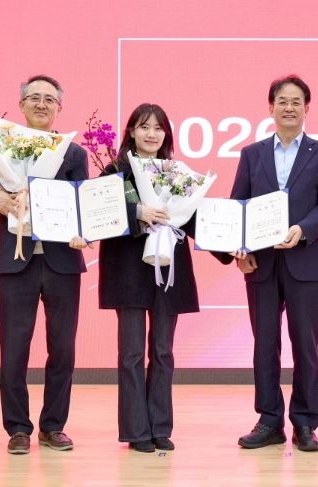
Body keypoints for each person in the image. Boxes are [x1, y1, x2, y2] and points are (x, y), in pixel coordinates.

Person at [216, 75, 318, 452]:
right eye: (282, 101)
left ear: (307, 108)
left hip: (307, 260)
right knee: (264, 344)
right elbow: (238, 204)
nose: (289, 107)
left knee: (306, 344)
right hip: (262, 263)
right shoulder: (251, 153)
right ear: (270, 107)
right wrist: (239, 249)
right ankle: (269, 420)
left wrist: (303, 230)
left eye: (296, 101)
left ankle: (305, 422)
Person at [0, 74, 88, 454]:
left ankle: (53, 426)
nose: (41, 104)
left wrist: (85, 230)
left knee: (63, 349)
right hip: (15, 261)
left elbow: (84, 203)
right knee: (14, 348)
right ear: (21, 105)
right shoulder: (3, 147)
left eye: (49, 99)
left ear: (59, 108)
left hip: (63, 262)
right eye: (34, 97)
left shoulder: (73, 154)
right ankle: (17, 428)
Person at [98, 103, 199, 453]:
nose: (151, 134)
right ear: (131, 132)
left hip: (167, 268)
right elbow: (101, 211)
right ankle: (136, 430)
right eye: (144, 127)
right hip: (126, 269)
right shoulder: (114, 171)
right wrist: (138, 212)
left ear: (166, 134)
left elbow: (193, 219)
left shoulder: (178, 172)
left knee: (162, 351)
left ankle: (160, 426)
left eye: (158, 128)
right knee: (130, 353)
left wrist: (232, 246)